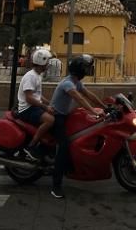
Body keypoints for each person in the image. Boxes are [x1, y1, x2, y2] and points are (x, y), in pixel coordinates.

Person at [48, 54, 107, 199]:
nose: (88, 71)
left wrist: (105, 107)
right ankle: (56, 186)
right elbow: (79, 98)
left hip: (66, 116)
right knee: (64, 146)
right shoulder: (68, 83)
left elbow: (89, 95)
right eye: (86, 68)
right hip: (57, 118)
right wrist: (94, 111)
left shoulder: (75, 82)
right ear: (79, 70)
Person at [17, 48, 55, 161]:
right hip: (26, 109)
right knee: (50, 120)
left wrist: (50, 103)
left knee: (55, 116)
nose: (48, 64)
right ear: (41, 62)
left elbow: (37, 95)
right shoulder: (31, 76)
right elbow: (29, 98)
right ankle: (31, 147)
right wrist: (45, 107)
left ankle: (46, 147)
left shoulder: (38, 75)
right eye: (47, 62)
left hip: (33, 106)